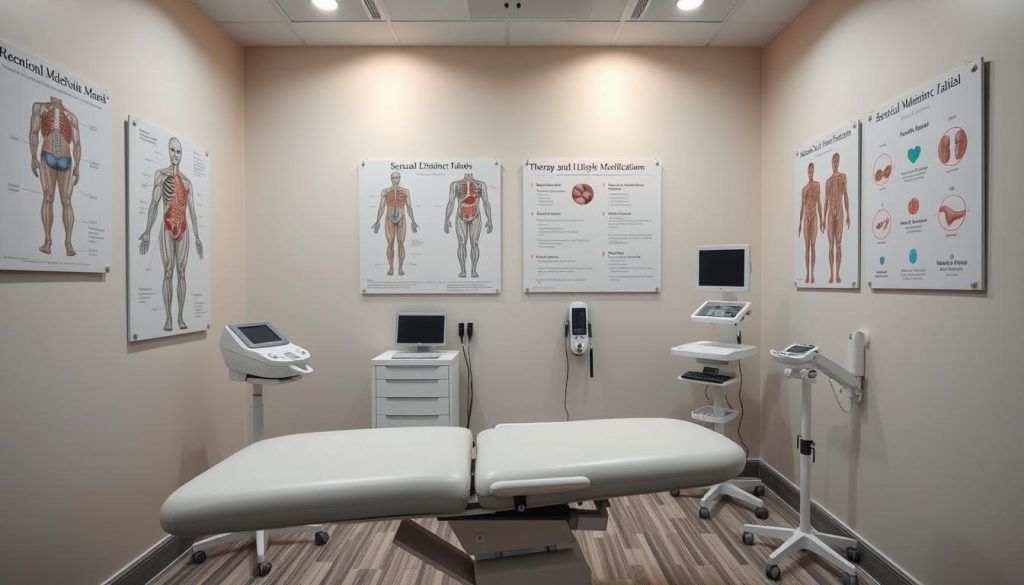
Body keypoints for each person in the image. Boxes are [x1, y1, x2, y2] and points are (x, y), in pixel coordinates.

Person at [139, 138, 204, 331]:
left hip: (183, 228)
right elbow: (154, 204)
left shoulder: (187, 182)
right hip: (167, 227)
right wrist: (147, 231)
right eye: (172, 150)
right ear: (168, 151)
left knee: (181, 273)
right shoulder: (160, 175)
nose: (175, 155)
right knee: (168, 272)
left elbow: (192, 210)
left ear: (181, 155)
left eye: (178, 152)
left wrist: (198, 237)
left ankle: (181, 317)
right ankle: (168, 318)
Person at [29, 96, 81, 256]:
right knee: (48, 197)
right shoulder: (39, 107)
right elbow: (33, 132)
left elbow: (77, 144)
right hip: (47, 155)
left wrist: (77, 165)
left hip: (66, 159)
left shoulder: (71, 117)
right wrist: (33, 156)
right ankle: (48, 241)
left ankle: (68, 242)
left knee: (66, 200)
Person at [444, 173, 492, 278]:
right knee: (461, 243)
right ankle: (463, 270)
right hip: (461, 215)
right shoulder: (455, 184)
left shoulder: (481, 184)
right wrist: (446, 219)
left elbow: (486, 202)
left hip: (476, 215)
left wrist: (490, 219)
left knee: (474, 243)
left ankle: (474, 270)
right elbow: (451, 202)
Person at [371, 172, 418, 276]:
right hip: (389, 219)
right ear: (390, 179)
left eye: (397, 177)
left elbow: (409, 207)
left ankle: (400, 268)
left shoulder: (405, 191)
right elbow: (381, 207)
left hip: (402, 219)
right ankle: (391, 268)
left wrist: (413, 221)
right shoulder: (385, 191)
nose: (395, 179)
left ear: (399, 178)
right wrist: (377, 220)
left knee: (401, 243)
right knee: (390, 243)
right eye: (393, 178)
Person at [823, 153, 850, 283]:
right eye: (833, 160)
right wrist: (823, 218)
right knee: (830, 245)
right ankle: (831, 274)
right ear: (831, 162)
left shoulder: (843, 177)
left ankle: (837, 274)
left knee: (838, 244)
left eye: (837, 161)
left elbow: (845, 196)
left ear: (839, 162)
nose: (835, 163)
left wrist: (848, 214)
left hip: (839, 212)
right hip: (830, 214)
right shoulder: (827, 182)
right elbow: (826, 201)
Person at [798, 162, 822, 284]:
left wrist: (822, 219)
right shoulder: (804, 189)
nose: (811, 173)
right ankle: (807, 274)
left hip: (815, 217)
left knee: (813, 246)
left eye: (812, 170)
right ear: (807, 172)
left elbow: (819, 204)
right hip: (806, 218)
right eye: (809, 171)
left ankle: (812, 274)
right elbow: (802, 206)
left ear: (814, 171)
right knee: (807, 247)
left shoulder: (817, 185)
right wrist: (799, 224)